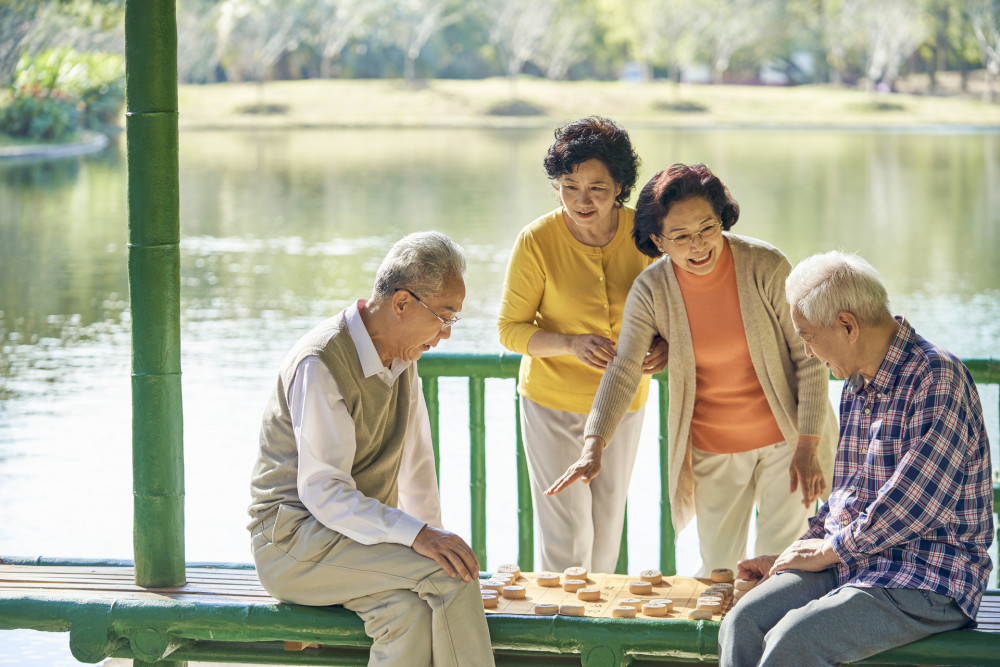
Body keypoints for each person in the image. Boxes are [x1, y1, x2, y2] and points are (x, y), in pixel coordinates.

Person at [546, 163, 839, 576]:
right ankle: (728, 641)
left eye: (707, 228)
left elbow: (809, 359)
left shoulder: (766, 265)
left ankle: (777, 641)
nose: (698, 246)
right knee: (720, 571)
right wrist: (594, 443)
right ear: (658, 241)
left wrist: (808, 445)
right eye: (681, 237)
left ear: (722, 219)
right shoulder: (651, 290)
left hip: (789, 443)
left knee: (784, 568)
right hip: (713, 446)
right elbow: (624, 368)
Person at [718, 250, 993, 666]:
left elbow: (913, 506)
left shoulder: (937, 378)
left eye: (807, 335)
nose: (807, 352)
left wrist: (828, 552)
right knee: (744, 620)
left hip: (928, 579)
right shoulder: (856, 385)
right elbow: (848, 500)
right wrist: (798, 552)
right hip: (856, 561)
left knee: (796, 640)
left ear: (847, 325)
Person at [248, 232, 495, 667]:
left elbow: (416, 468)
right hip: (291, 544)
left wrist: (433, 538)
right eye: (444, 317)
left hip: (350, 542)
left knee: (407, 613)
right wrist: (421, 541)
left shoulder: (403, 360)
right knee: (449, 577)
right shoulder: (321, 362)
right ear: (402, 303)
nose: (445, 334)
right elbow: (323, 491)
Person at [497, 116, 668, 574]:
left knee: (606, 527)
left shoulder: (648, 236)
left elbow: (677, 307)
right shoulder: (536, 240)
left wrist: (666, 346)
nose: (581, 200)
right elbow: (510, 329)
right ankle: (560, 635)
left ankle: (596, 637)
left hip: (625, 401)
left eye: (596, 187)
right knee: (567, 536)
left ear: (620, 186)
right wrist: (569, 343)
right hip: (551, 403)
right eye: (569, 186)